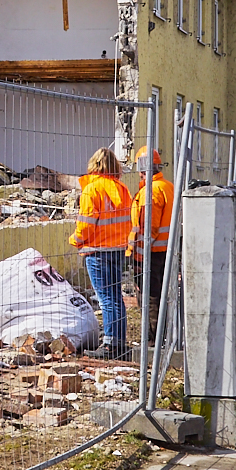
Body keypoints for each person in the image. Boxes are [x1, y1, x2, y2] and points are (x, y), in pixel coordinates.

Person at [69, 147, 134, 359]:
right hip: (118, 250)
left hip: (97, 251)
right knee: (116, 298)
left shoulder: (92, 190)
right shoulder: (122, 189)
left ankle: (109, 346)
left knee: (106, 299)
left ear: (93, 165)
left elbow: (86, 225)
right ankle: (118, 342)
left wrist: (75, 240)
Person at [130, 145, 174, 339]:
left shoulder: (151, 191)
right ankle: (161, 336)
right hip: (165, 250)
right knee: (160, 293)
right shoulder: (167, 186)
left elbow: (149, 229)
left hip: (151, 252)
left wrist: (137, 253)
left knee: (149, 296)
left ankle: (153, 340)